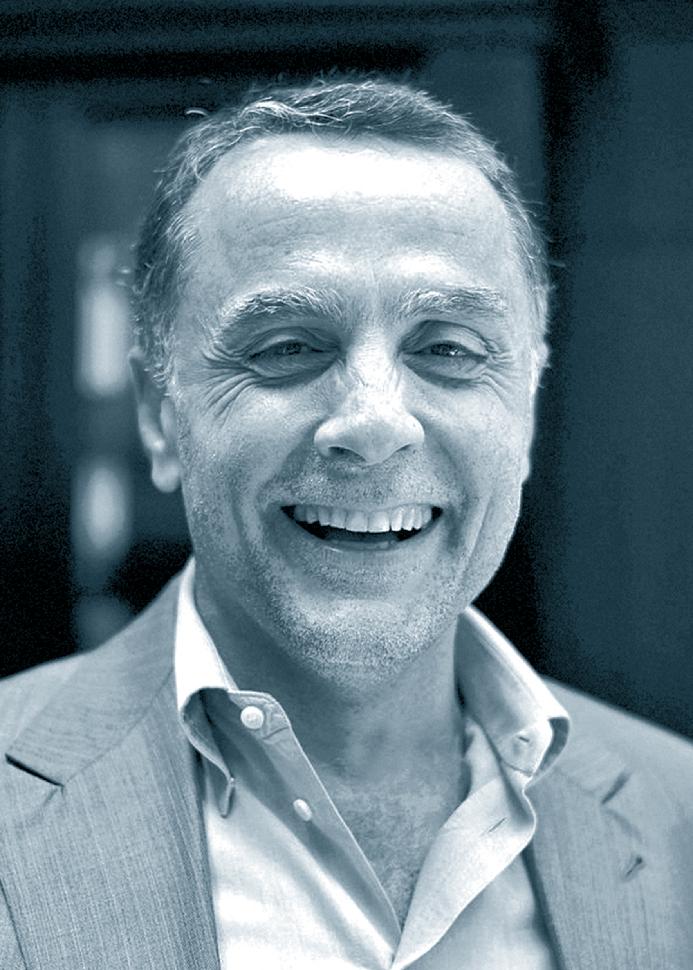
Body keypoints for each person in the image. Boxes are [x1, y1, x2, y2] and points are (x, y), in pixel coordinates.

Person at [0, 76, 691, 970]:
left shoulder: (676, 812)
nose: (372, 423)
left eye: (447, 349)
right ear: (159, 416)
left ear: (525, 409)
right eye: (286, 346)